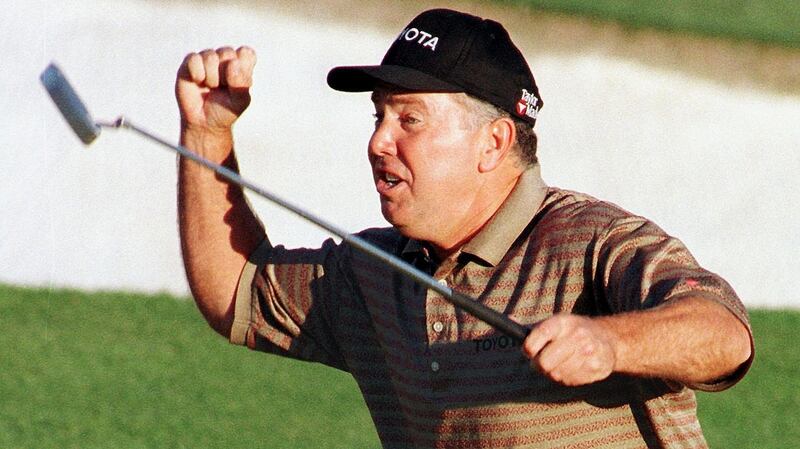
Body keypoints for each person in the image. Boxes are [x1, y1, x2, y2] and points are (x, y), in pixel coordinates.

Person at [175, 8, 753, 449]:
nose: (379, 141)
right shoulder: (374, 272)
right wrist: (207, 136)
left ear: (493, 142)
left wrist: (609, 342)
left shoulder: (595, 241)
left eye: (410, 120)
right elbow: (237, 293)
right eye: (378, 116)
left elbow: (724, 336)